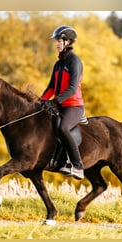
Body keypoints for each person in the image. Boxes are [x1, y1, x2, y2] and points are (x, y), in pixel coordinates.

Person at [40, 25, 85, 180]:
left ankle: (78, 166)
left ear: (68, 42)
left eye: (59, 41)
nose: (57, 44)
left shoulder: (75, 62)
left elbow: (72, 88)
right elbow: (51, 87)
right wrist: (41, 101)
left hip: (74, 107)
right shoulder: (58, 64)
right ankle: (62, 161)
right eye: (56, 41)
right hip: (60, 106)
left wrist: (55, 101)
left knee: (64, 128)